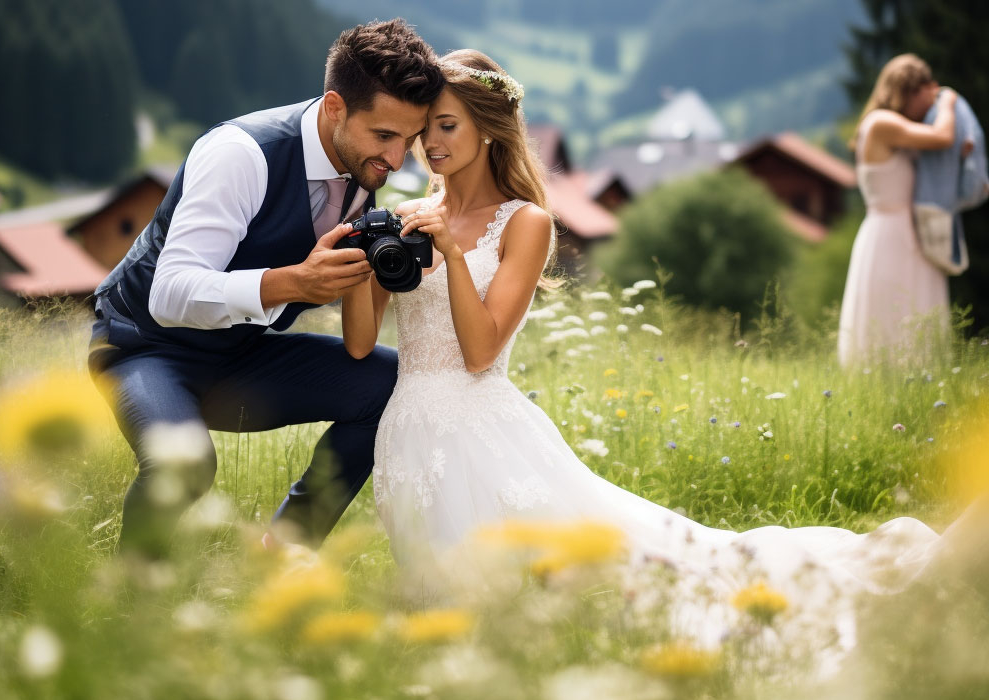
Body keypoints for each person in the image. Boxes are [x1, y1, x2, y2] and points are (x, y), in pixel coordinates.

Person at [341, 49, 983, 655]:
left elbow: (481, 351)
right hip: (408, 434)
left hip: (485, 435)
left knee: (595, 586)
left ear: (488, 128)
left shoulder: (524, 222)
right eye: (425, 128)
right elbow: (362, 341)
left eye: (447, 125)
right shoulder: (406, 217)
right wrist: (351, 262)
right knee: (444, 606)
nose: (430, 143)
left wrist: (453, 256)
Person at [88, 19, 444, 558]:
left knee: (393, 384)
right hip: (145, 347)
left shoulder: (359, 174)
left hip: (240, 357)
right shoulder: (241, 153)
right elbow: (169, 294)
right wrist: (294, 281)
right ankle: (129, 590)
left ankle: (282, 555)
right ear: (335, 107)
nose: (396, 160)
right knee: (184, 465)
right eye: (384, 136)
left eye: (409, 140)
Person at [838, 54, 961, 367]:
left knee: (914, 312)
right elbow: (942, 137)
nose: (931, 100)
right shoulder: (882, 123)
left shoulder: (891, 127)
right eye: (927, 92)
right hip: (891, 236)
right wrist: (949, 103)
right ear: (909, 90)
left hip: (905, 232)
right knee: (895, 313)